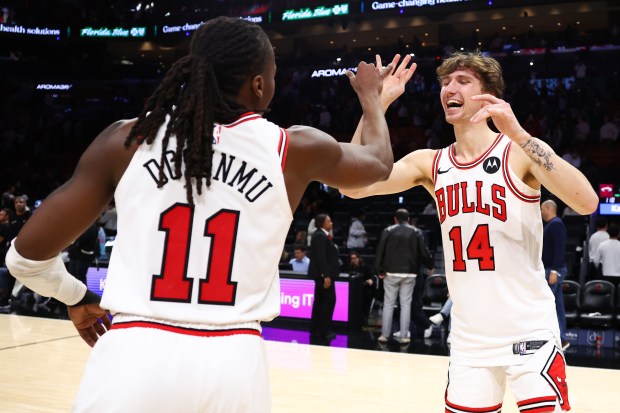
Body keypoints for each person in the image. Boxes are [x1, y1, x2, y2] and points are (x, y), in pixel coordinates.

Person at [5, 17, 415, 413]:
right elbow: (378, 163)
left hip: (135, 353)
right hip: (235, 362)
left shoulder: (128, 140)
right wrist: (371, 99)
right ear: (259, 85)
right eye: (272, 74)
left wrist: (79, 297)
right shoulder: (294, 148)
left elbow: (24, 260)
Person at [342, 50, 598, 412]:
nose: (450, 87)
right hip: (470, 340)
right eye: (446, 82)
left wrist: (520, 133)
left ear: (488, 93)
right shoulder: (430, 163)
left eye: (463, 80)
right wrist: (375, 103)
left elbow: (587, 202)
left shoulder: (517, 152)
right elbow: (351, 186)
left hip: (529, 332)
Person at [374, 208, 434, 344]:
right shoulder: (416, 231)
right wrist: (430, 265)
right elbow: (424, 251)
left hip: (391, 272)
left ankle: (384, 335)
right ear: (408, 219)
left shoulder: (388, 231)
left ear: (395, 219)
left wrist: (379, 270)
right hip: (409, 273)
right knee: (406, 305)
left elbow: (380, 251)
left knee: (388, 304)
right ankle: (404, 336)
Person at [541, 199, 569, 351]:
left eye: (542, 209)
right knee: (558, 306)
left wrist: (554, 271)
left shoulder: (556, 223)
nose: (541, 212)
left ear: (549, 208)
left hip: (553, 269)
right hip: (551, 268)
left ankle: (544, 338)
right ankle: (562, 339)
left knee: (544, 304)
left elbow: (559, 248)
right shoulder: (552, 224)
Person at [308, 214, 340, 340]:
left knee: (320, 302)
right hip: (323, 276)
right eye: (329, 220)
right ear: (322, 223)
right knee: (329, 301)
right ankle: (323, 330)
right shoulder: (320, 236)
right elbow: (321, 258)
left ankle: (316, 330)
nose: (331, 223)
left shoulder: (320, 235)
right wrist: (326, 276)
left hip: (321, 275)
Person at [345, 250, 377, 328]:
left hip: (365, 287)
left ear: (359, 258)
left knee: (367, 294)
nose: (354, 260)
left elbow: (372, 276)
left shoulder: (365, 267)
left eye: (355, 258)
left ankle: (365, 318)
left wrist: (371, 280)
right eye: (352, 258)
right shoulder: (349, 268)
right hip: (354, 288)